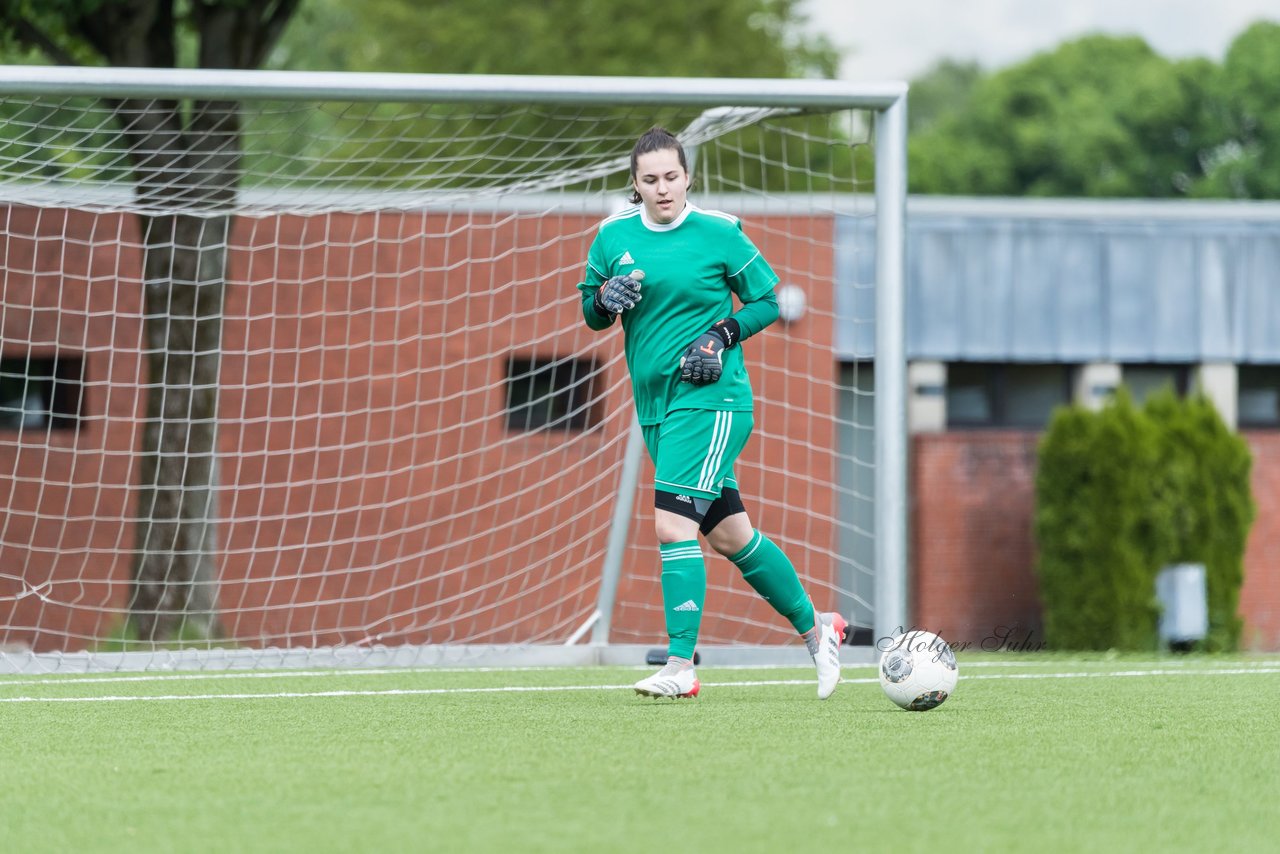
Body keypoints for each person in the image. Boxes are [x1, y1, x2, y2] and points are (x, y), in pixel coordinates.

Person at [577, 126, 847, 700]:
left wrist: (722, 334)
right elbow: (592, 314)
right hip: (655, 408)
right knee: (730, 537)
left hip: (713, 400)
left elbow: (769, 300)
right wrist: (604, 301)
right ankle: (818, 629)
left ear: (687, 177)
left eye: (671, 176)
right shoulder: (611, 237)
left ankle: (680, 666)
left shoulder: (720, 232)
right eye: (649, 180)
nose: (662, 188)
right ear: (635, 184)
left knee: (672, 524)